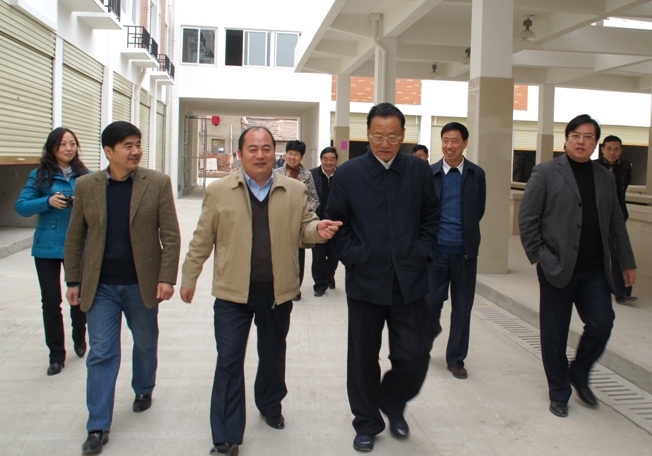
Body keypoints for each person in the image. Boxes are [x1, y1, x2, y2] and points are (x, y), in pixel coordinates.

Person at [179, 126, 342, 456]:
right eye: (252, 149)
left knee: (272, 354)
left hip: (276, 293)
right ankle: (226, 436)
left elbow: (306, 227)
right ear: (240, 154)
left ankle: (270, 404)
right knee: (229, 360)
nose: (260, 154)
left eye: (266, 148)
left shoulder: (294, 190)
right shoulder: (219, 191)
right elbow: (202, 237)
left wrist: (319, 230)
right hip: (231, 293)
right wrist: (189, 276)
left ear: (274, 153)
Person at [325, 103, 438, 453]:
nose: (385, 144)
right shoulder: (349, 174)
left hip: (409, 282)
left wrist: (420, 253)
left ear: (403, 136)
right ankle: (366, 422)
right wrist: (356, 258)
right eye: (377, 136)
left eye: (392, 137)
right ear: (367, 135)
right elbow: (336, 225)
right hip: (366, 282)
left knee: (414, 353)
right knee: (362, 357)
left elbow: (431, 219)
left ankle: (392, 400)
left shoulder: (418, 171)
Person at [64, 121, 181, 454]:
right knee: (102, 352)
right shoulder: (86, 186)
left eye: (138, 144)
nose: (136, 151)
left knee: (145, 343)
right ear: (108, 151)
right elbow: (75, 237)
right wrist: (73, 280)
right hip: (100, 285)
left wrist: (166, 277)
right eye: (128, 145)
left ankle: (143, 386)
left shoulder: (156, 183)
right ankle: (98, 425)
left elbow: (170, 235)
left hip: (141, 284)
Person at [519, 114, 636, 419]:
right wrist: (541, 257)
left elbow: (616, 224)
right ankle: (559, 391)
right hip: (557, 267)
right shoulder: (546, 172)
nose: (581, 141)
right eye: (576, 136)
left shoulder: (605, 177)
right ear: (566, 139)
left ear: (596, 143)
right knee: (555, 334)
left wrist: (627, 262)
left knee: (602, 322)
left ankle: (579, 372)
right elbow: (528, 219)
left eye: (588, 137)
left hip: (593, 270)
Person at [15, 127, 91, 376]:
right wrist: (47, 202)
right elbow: (22, 206)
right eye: (62, 144)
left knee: (78, 298)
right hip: (47, 247)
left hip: (78, 246)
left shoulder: (86, 176)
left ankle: (79, 336)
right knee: (50, 301)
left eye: (72, 143)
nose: (69, 148)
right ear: (52, 148)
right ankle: (56, 355)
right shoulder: (39, 175)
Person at [425, 122, 485, 380]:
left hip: (465, 253)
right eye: (445, 140)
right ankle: (427, 337)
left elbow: (478, 210)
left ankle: (456, 358)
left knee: (462, 307)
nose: (449, 146)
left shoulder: (476, 174)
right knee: (430, 303)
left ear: (465, 143)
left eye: (455, 141)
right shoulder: (430, 174)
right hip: (435, 252)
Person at [275, 139, 320, 301]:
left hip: (298, 224)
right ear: (285, 154)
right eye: (290, 153)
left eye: (296, 154)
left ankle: (295, 288)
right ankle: (280, 287)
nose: (292, 157)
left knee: (297, 258)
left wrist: (304, 213)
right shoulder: (275, 174)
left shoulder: (307, 175)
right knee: (279, 256)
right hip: (279, 222)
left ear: (302, 157)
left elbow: (314, 198)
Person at [596, 135, 636, 304]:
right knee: (597, 253)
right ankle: (597, 288)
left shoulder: (625, 167)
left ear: (621, 151)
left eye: (616, 149)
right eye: (609, 149)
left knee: (619, 252)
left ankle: (623, 292)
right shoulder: (594, 167)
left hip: (617, 216)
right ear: (603, 149)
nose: (612, 152)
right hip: (597, 216)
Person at [310, 146, 339, 297]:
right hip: (318, 221)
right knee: (318, 255)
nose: (329, 162)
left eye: (332, 159)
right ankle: (320, 285)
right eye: (325, 159)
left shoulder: (342, 175)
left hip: (336, 222)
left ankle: (329, 276)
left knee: (334, 255)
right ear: (321, 159)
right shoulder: (312, 175)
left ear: (336, 161)